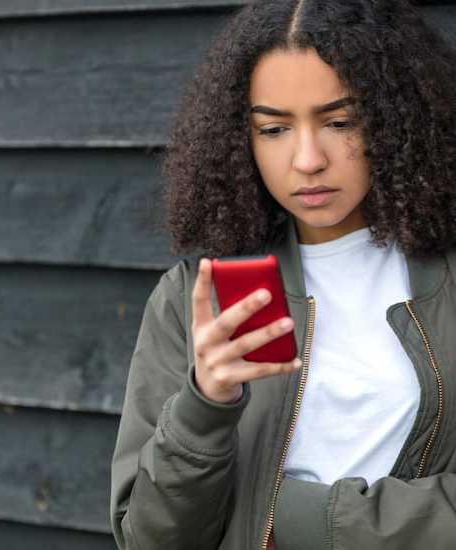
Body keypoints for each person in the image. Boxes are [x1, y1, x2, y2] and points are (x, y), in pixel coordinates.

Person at [110, 0, 456, 548]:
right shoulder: (194, 296)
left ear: (395, 119)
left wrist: (302, 518)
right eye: (273, 128)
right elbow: (150, 538)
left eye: (339, 121)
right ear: (240, 138)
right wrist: (207, 401)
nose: (307, 159)